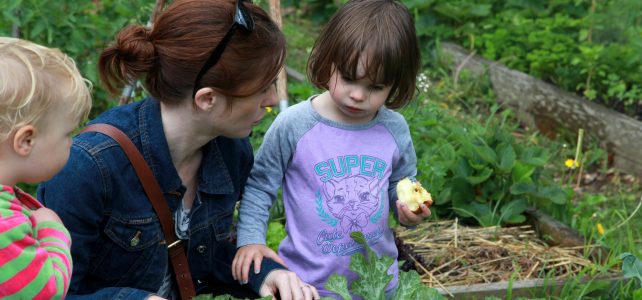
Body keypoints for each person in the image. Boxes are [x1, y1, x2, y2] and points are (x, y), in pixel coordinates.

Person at [38, 0, 318, 299]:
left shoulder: (231, 151)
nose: (273, 99)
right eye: (263, 88)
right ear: (207, 99)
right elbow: (50, 293)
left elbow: (211, 253)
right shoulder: (87, 168)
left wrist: (267, 275)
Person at [233, 0, 431, 298]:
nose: (357, 95)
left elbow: (400, 184)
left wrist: (406, 210)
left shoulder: (394, 129)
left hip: (378, 284)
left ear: (395, 85)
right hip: (304, 284)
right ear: (330, 61)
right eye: (349, 78)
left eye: (376, 88)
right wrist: (249, 240)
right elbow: (260, 186)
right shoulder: (295, 125)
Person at [0, 37, 92, 299]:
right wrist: (51, 230)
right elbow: (46, 292)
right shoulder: (5, 226)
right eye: (67, 134)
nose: (72, 142)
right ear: (26, 141)